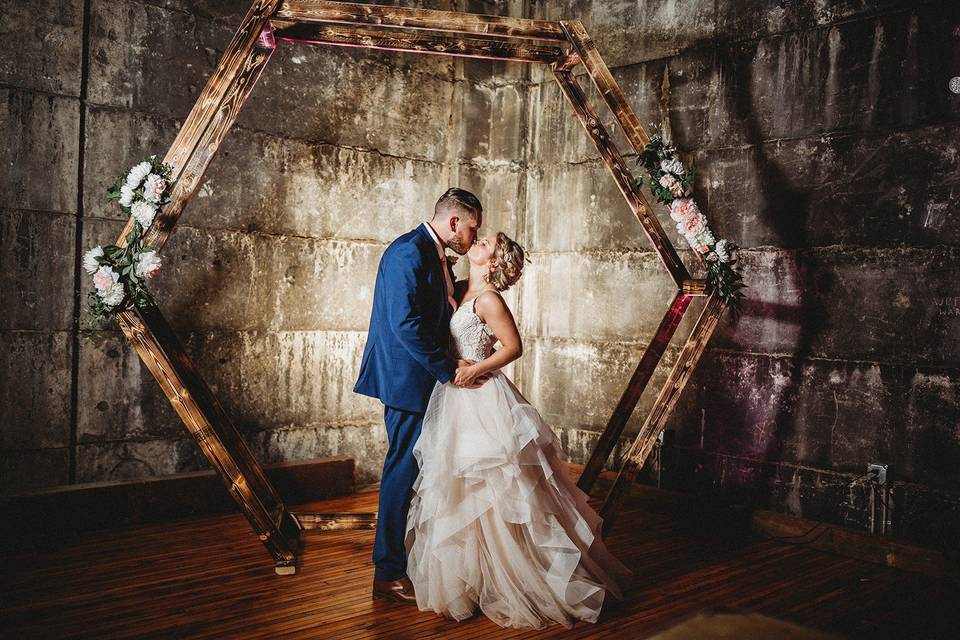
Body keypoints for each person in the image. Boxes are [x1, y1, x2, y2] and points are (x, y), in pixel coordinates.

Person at [404, 231, 631, 629]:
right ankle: (472, 581)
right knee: (460, 490)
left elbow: (513, 346)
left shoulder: (489, 299)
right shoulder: (458, 289)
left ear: (492, 262)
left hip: (480, 396)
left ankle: (520, 577)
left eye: (486, 243)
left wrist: (474, 368)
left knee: (495, 487)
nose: (477, 242)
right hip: (455, 397)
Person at [354, 187, 488, 603]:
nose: (471, 238)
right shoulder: (407, 253)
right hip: (405, 381)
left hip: (422, 378)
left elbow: (438, 307)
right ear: (453, 222)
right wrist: (449, 370)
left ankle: (413, 557)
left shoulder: (433, 255)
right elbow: (404, 324)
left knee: (422, 471)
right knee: (402, 470)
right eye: (471, 229)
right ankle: (387, 571)